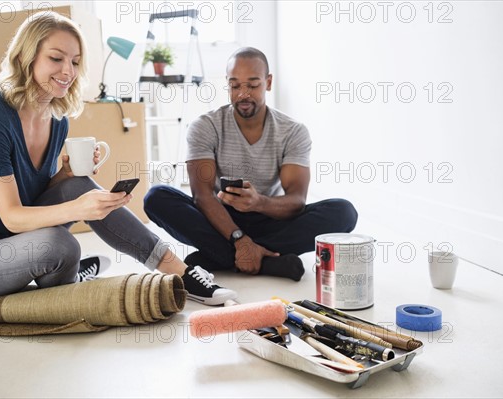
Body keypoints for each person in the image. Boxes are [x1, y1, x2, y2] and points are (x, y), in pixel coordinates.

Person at [0, 11, 236, 306]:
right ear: (25, 57)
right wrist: (79, 208)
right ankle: (68, 274)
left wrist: (68, 173)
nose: (68, 71)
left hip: (11, 242)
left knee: (79, 184)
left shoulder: (56, 121)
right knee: (61, 246)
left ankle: (179, 272)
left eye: (75, 61)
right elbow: (12, 216)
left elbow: (35, 194)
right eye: (56, 58)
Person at [144, 47, 358, 281]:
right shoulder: (204, 126)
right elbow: (202, 196)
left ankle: (221, 258)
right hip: (220, 220)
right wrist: (239, 239)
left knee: (344, 212)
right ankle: (266, 261)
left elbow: (296, 201)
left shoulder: (293, 131)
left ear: (268, 82)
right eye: (235, 86)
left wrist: (258, 203)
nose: (243, 94)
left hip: (271, 217)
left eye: (253, 85)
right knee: (156, 197)